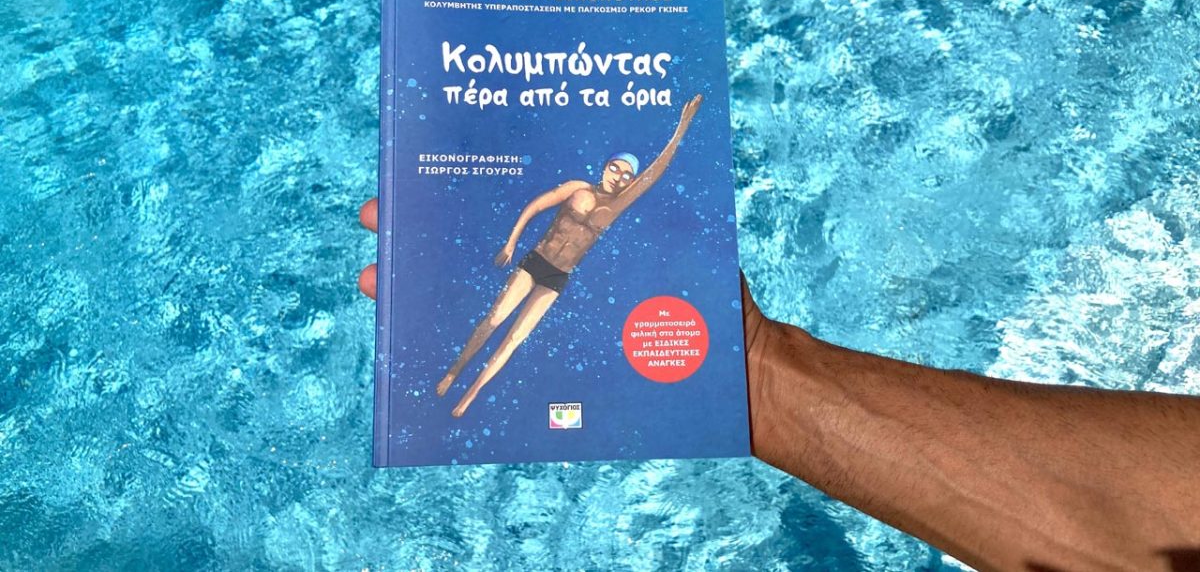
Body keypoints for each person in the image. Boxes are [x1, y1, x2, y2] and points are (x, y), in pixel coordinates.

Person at [357, 209, 1200, 572]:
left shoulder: (604, 202)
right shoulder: (580, 199)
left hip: (582, 285)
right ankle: (452, 380)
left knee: (503, 339)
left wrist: (751, 375)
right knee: (488, 325)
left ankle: (456, 390)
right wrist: (751, 371)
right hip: (570, 276)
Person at [425, 94, 701, 417]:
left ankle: (470, 396)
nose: (619, 176)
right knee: (495, 319)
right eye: (615, 168)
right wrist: (511, 243)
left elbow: (655, 173)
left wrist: (681, 128)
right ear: (605, 167)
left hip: (558, 277)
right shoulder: (577, 188)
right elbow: (535, 206)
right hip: (536, 262)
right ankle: (454, 372)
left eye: (627, 175)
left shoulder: (615, 207)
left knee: (515, 339)